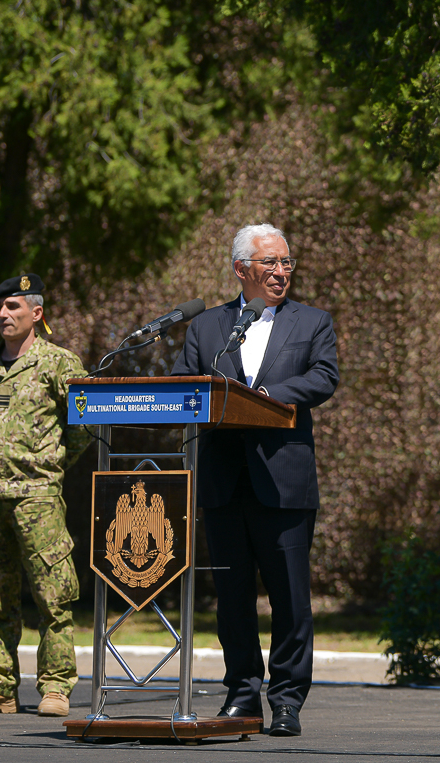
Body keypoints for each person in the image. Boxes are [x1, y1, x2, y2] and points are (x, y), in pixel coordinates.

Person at [170, 223, 338, 737]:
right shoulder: (207, 326)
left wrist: (265, 393)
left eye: (287, 263)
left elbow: (324, 375)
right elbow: (184, 382)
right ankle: (242, 694)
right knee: (232, 594)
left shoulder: (312, 322)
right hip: (223, 480)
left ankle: (286, 700)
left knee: (289, 596)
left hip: (282, 481)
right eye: (271, 263)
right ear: (241, 269)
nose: (281, 272)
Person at [0, 274, 87, 718]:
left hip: (38, 499)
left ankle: (54, 687)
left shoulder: (61, 365)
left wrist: (49, 467)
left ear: (37, 313)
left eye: (13, 306)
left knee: (54, 595)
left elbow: (84, 429)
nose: (3, 315)